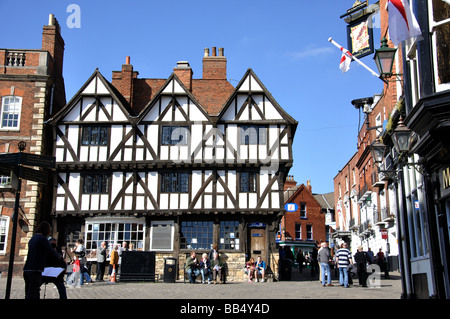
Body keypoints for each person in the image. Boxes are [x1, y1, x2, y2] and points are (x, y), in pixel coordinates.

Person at [23, 221, 64, 299]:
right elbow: (51, 251)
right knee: (34, 293)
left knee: (28, 293)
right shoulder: (43, 239)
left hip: (27, 269)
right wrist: (60, 257)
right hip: (35, 270)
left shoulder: (32, 239)